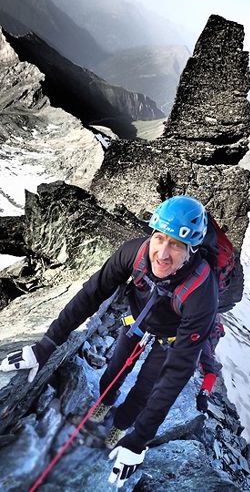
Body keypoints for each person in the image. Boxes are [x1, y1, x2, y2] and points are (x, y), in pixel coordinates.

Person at [0, 195, 218, 488]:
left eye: (177, 245)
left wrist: (139, 440)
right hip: (137, 324)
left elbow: (178, 372)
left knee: (145, 388)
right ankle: (104, 402)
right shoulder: (133, 253)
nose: (163, 254)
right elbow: (91, 295)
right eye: (159, 238)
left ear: (191, 250)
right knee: (115, 369)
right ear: (151, 234)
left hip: (171, 340)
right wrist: (45, 347)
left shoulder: (202, 292)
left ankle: (121, 426)